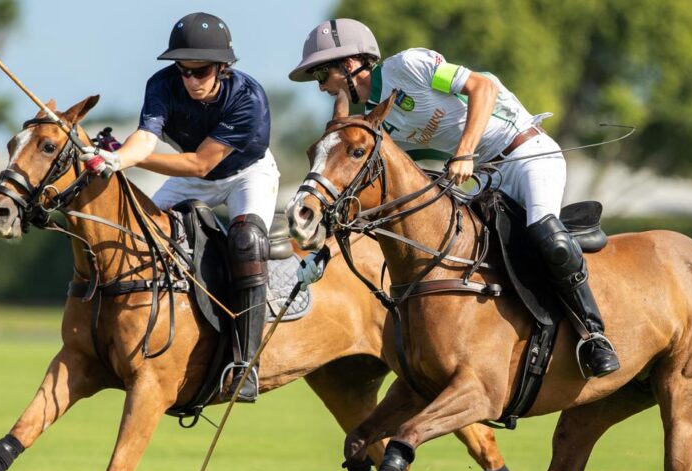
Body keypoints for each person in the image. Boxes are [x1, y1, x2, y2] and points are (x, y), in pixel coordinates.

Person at [289, 18, 619, 378]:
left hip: (525, 152)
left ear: (350, 64)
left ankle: (593, 335)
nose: (322, 88)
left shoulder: (408, 65)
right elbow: (370, 192)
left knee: (546, 236)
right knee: (468, 252)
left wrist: (464, 152)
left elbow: (483, 87)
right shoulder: (374, 124)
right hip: (485, 178)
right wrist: (326, 251)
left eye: (323, 76)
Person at [82, 12, 279, 400]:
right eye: (183, 70)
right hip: (192, 179)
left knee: (246, 242)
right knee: (141, 233)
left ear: (223, 68)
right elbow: (145, 139)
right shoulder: (162, 85)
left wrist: (125, 159)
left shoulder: (247, 98)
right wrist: (120, 156)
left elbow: (201, 162)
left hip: (246, 175)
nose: (190, 80)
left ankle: (244, 364)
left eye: (200, 71)